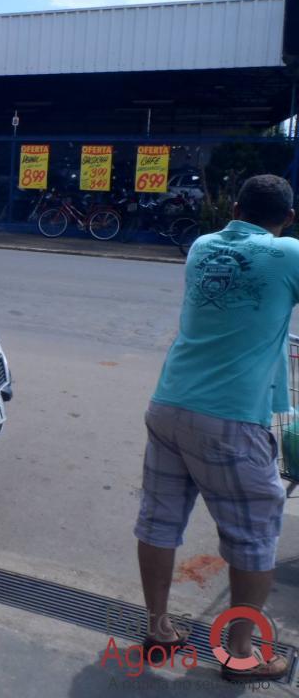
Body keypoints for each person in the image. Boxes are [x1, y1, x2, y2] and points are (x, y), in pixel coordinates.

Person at [134, 174, 294, 683]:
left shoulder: (203, 245)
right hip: (228, 421)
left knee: (159, 520)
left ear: (234, 207)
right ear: (287, 219)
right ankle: (242, 654)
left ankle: (159, 629)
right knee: (254, 538)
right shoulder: (288, 253)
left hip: (169, 403)